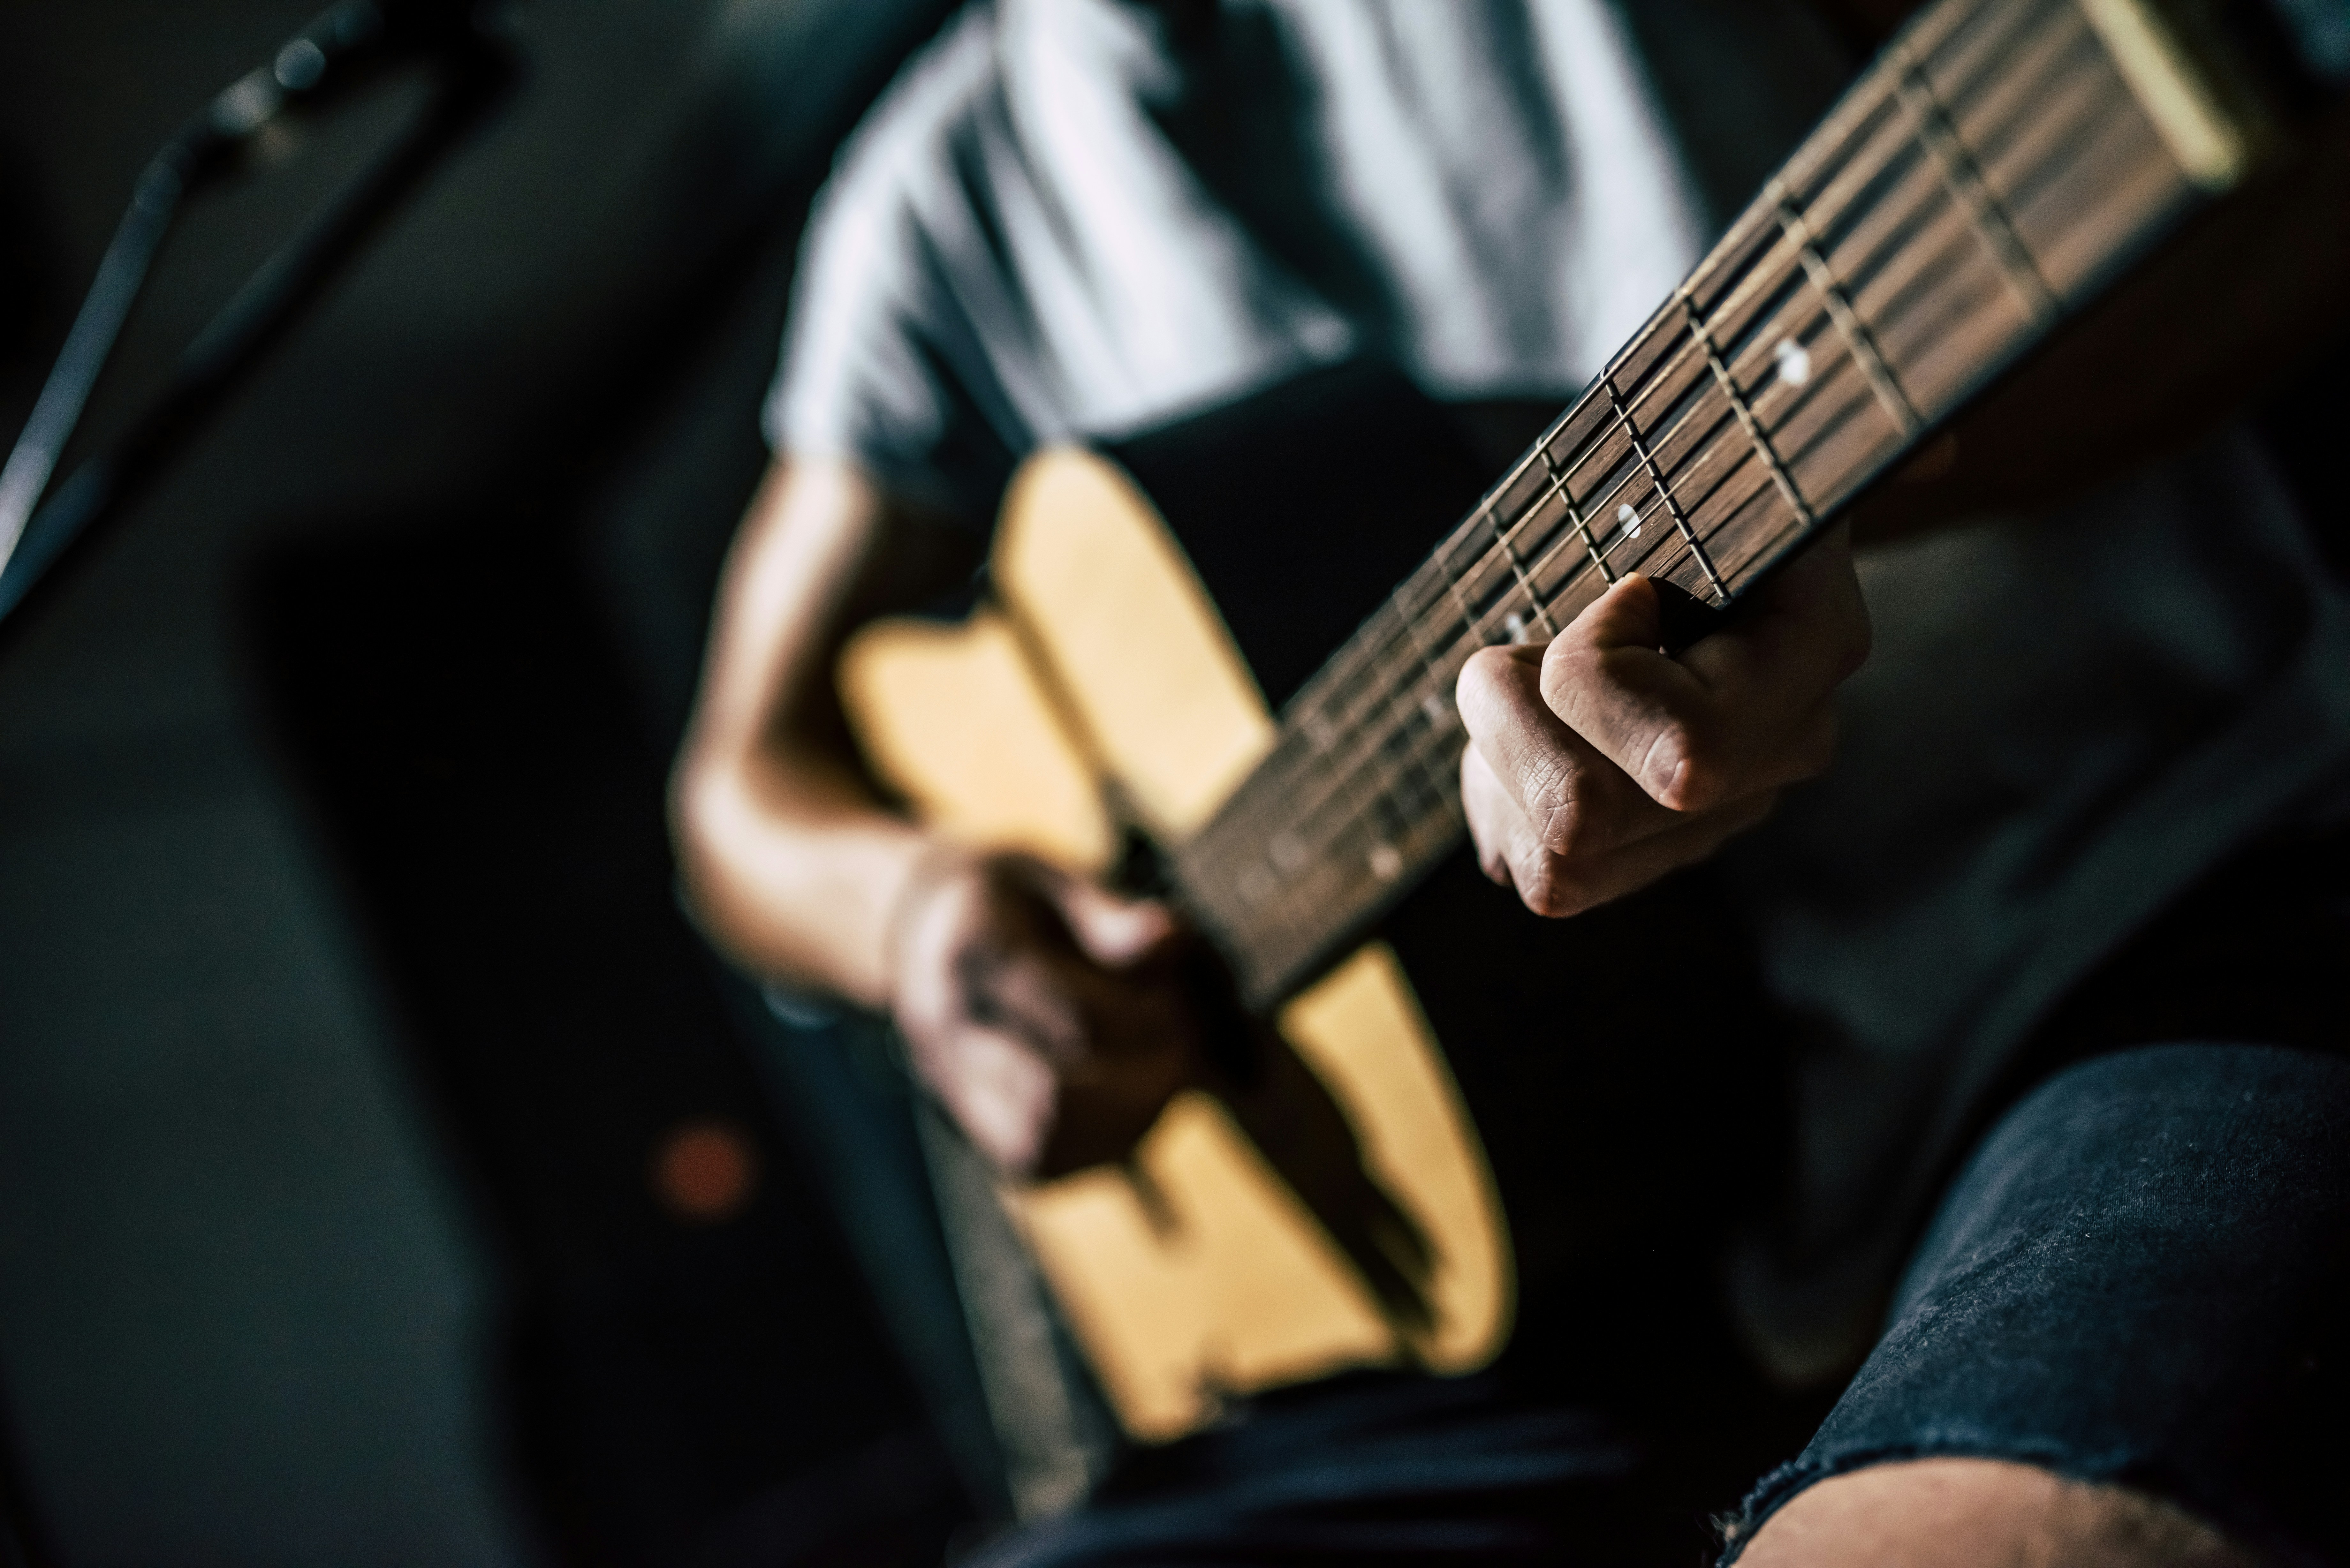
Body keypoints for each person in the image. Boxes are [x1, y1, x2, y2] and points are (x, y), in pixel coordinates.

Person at [671, 1, 2350, 1561]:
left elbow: (2294, 192)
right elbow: (737, 791)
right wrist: (914, 916)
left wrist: (1804, 509)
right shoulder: (943, 197)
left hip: (2113, 924)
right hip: (1517, 1282)